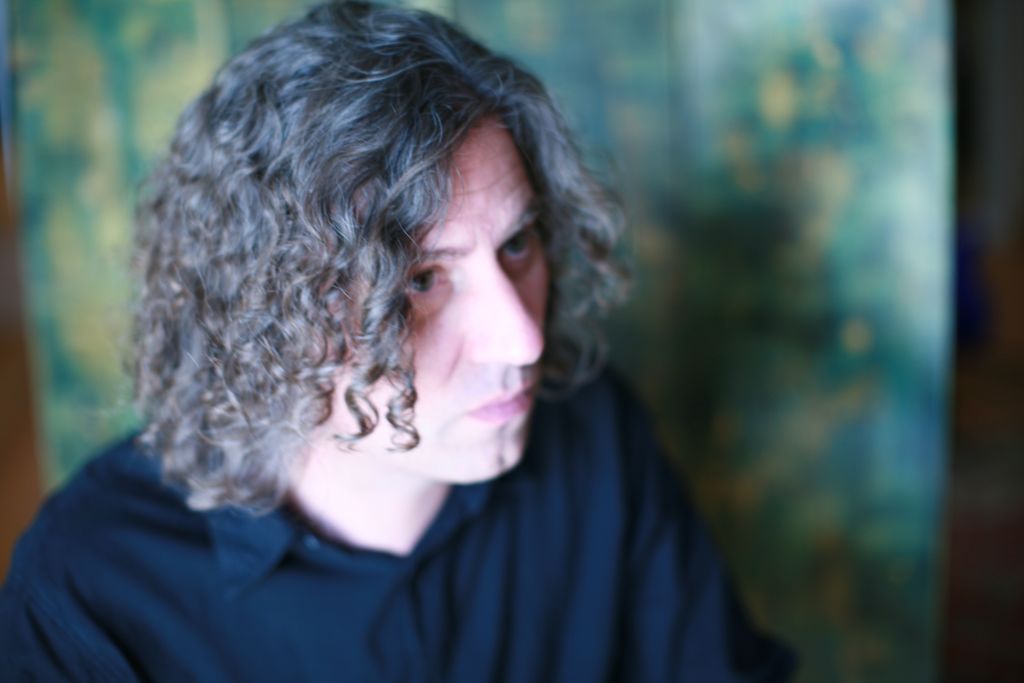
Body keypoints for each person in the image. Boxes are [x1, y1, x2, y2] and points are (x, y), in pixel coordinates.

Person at [0, 2, 794, 680]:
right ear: (271, 315)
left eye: (517, 243)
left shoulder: (596, 439)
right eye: (420, 280)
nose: (522, 339)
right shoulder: (88, 596)